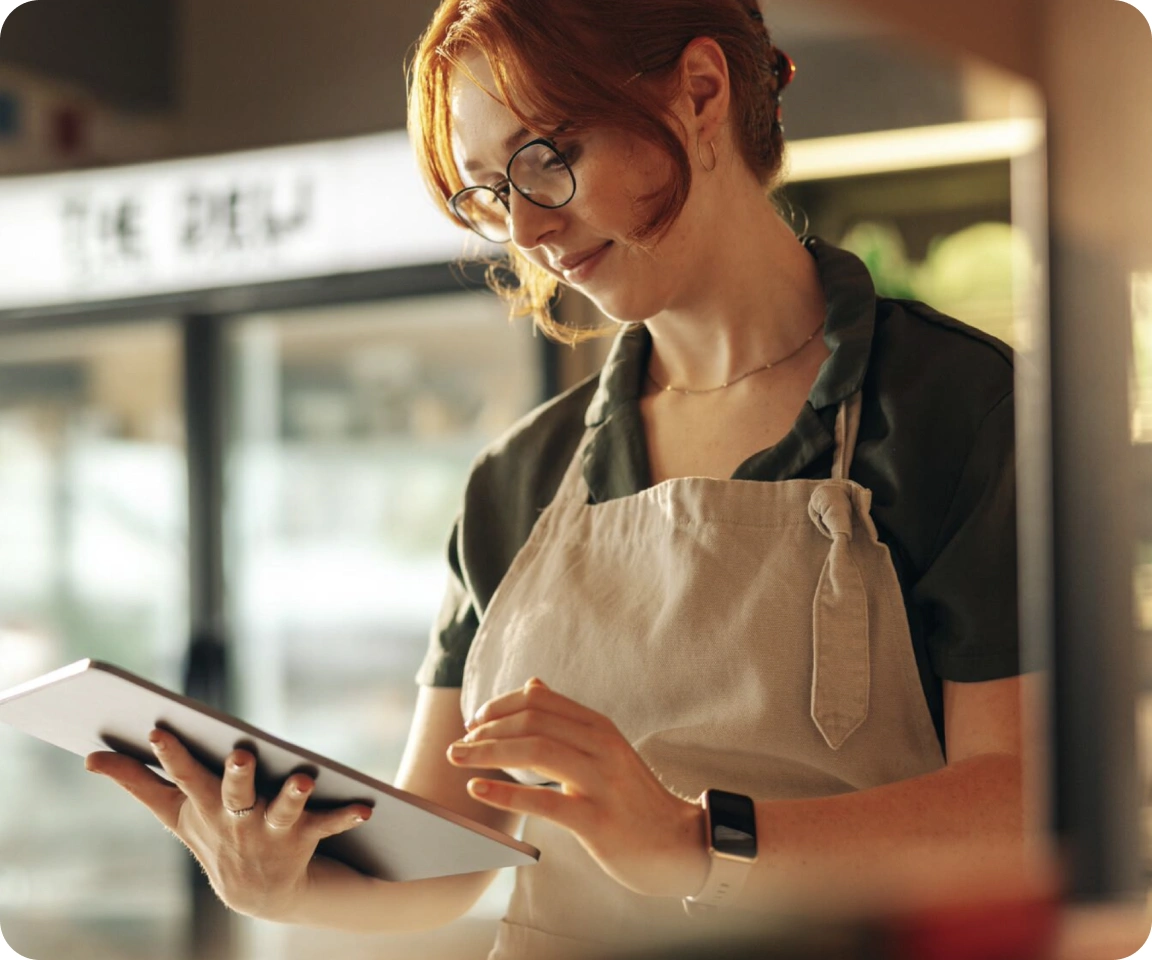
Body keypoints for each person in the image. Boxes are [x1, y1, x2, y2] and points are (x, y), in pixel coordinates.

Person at [87, 0, 1041, 956]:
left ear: (701, 93)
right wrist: (286, 882)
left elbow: (1026, 800)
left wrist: (697, 842)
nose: (529, 229)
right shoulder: (517, 479)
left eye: (548, 157)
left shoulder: (957, 409)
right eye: (490, 194)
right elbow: (450, 855)